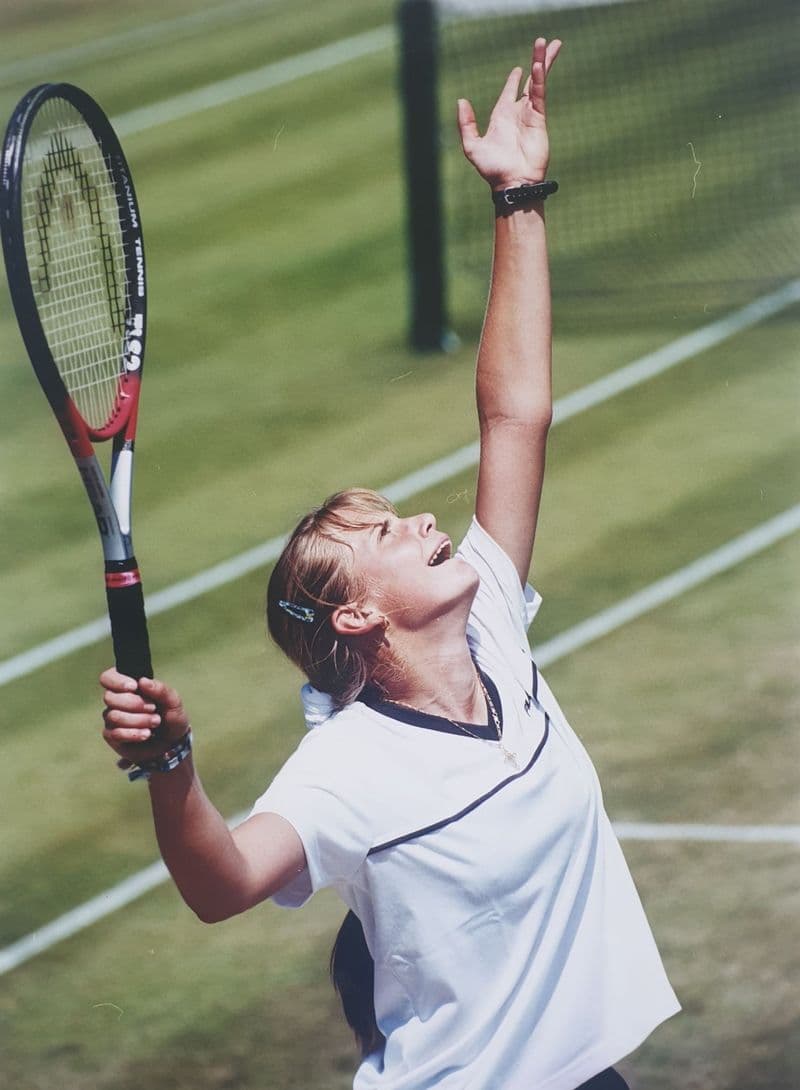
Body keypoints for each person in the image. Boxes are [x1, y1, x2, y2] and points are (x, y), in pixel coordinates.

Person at [100, 39, 680, 1090]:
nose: (419, 517)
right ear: (359, 619)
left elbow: (514, 411)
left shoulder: (492, 626)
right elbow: (223, 882)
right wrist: (171, 764)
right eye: (380, 536)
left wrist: (517, 197)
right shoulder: (348, 770)